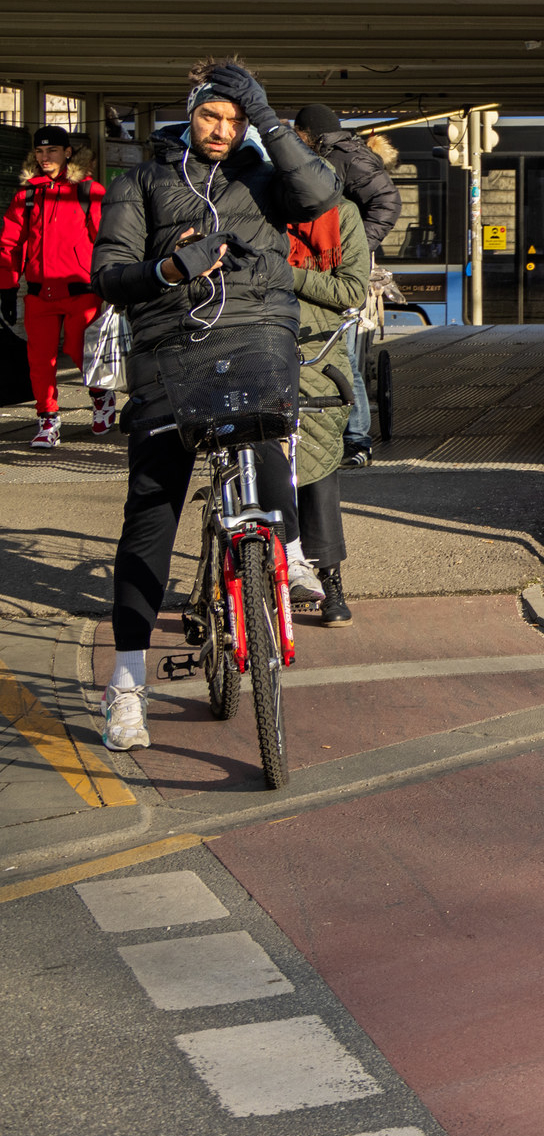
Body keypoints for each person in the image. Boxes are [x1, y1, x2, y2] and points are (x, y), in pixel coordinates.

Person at [90, 61, 340, 751]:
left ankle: (281, 554)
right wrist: (169, 269)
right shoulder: (142, 180)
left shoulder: (262, 175)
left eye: (235, 120)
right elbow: (108, 274)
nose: (223, 131)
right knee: (152, 507)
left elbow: (320, 196)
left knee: (267, 441)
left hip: (258, 336)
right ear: (190, 114)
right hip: (171, 350)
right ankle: (127, 686)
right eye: (212, 117)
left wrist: (266, 115)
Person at [280, 123, 371, 623]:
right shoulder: (262, 211)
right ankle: (253, 575)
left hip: (319, 353)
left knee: (315, 470)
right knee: (254, 468)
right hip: (262, 346)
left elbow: (352, 290)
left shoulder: (345, 216)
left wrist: (286, 274)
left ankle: (330, 578)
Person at [290, 105, 399, 470]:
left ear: (307, 132)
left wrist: (354, 248)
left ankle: (356, 439)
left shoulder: (345, 157)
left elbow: (387, 202)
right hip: (311, 264)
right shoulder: (327, 154)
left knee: (343, 357)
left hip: (337, 268)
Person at [3, 127, 112, 446]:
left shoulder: (87, 191)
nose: (44, 157)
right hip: (39, 293)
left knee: (80, 351)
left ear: (67, 152)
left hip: (81, 290)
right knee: (40, 361)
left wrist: (111, 281)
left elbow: (106, 240)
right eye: (39, 151)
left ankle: (100, 396)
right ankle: (47, 420)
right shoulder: (27, 195)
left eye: (52, 151)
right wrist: (7, 287)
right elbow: (8, 243)